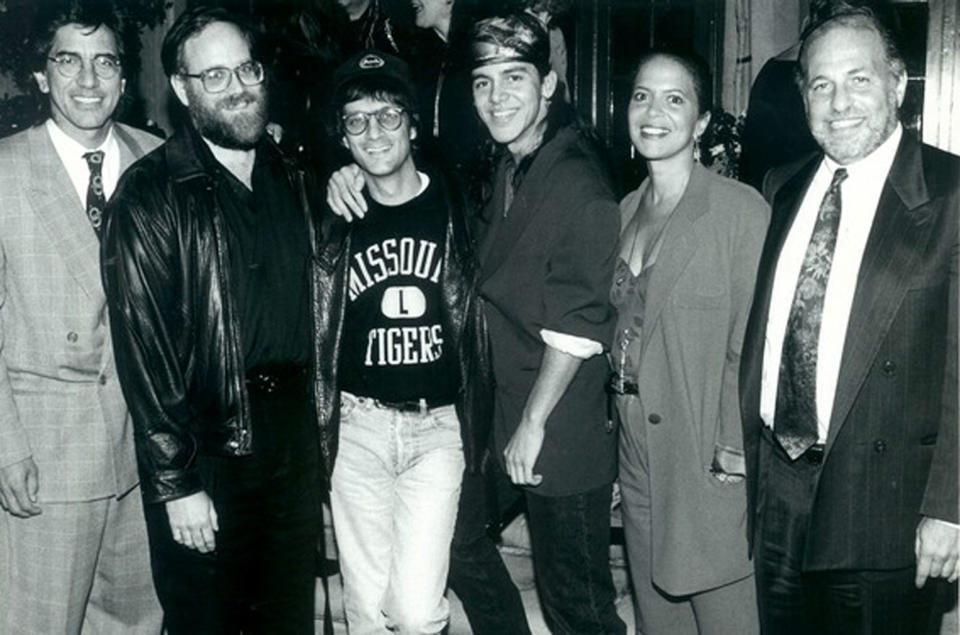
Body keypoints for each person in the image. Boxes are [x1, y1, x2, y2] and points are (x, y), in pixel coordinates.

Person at [101, 6, 323, 634]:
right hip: (209, 444)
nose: (238, 87)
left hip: (294, 442)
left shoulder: (295, 177)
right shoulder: (148, 195)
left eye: (246, 68)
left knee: (286, 619)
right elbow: (143, 353)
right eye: (215, 76)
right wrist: (178, 480)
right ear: (182, 89)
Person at [739, 6, 958, 634]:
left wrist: (951, 509)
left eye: (858, 80)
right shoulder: (782, 186)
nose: (839, 103)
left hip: (885, 502)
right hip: (778, 488)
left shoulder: (949, 194)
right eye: (821, 85)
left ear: (897, 84)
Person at [315, 49, 491, 634]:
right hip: (357, 428)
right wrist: (329, 187)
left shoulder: (461, 203)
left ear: (413, 125)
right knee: (364, 611)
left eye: (389, 115)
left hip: (436, 429)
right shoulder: (328, 215)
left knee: (415, 610)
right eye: (357, 120)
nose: (375, 131)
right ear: (343, 137)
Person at [0, 3, 163, 633]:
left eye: (105, 63)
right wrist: (7, 451)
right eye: (69, 61)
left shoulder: (160, 161)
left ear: (126, 78)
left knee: (138, 625)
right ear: (42, 76)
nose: (88, 80)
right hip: (45, 462)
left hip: (144, 457)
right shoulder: (7, 170)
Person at [461, 12, 625, 634]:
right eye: (482, 82)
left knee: (577, 607)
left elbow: (579, 319)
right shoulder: (512, 162)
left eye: (513, 77)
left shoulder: (577, 179)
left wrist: (533, 424)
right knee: (458, 542)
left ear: (548, 84)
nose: (496, 97)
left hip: (557, 423)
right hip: (503, 407)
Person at [610, 49, 768, 634]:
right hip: (637, 458)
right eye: (641, 96)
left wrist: (732, 449)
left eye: (675, 99)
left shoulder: (737, 210)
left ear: (701, 122)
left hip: (708, 460)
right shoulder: (625, 209)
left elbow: (752, 341)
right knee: (660, 624)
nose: (654, 112)